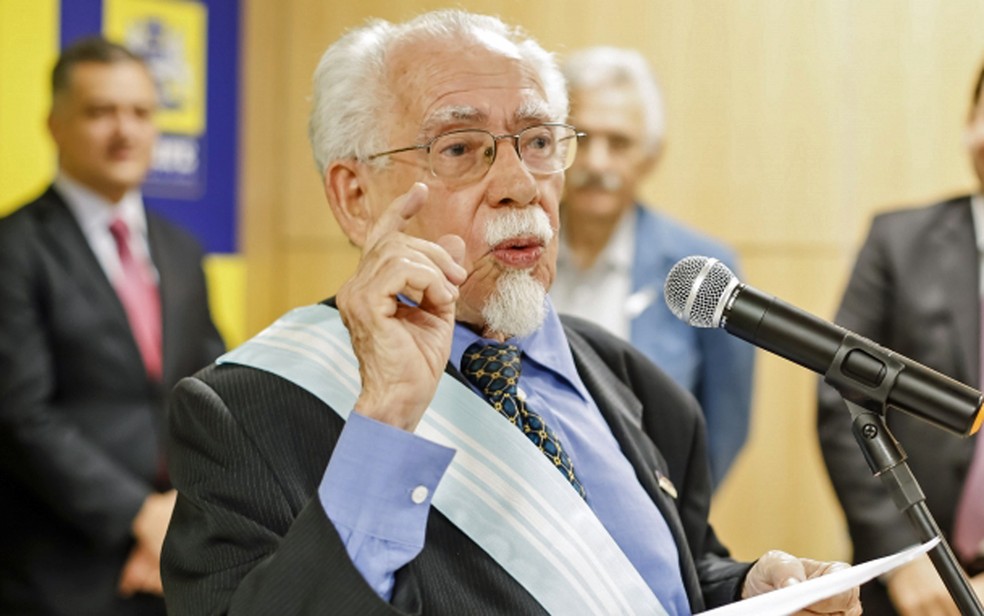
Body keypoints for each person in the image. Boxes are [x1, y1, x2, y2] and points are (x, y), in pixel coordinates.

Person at [161, 10, 860, 615]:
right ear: (354, 196)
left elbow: (656, 580)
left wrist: (745, 589)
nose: (520, 185)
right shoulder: (243, 415)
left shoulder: (626, 376)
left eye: (538, 142)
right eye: (462, 149)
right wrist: (386, 424)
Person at [0, 37, 225, 615]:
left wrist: (181, 519)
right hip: (60, 573)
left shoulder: (181, 249)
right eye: (101, 112)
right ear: (54, 124)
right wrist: (139, 515)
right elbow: (20, 416)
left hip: (176, 562)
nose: (125, 131)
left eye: (141, 113)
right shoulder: (13, 248)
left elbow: (215, 392)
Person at [817, 59, 984, 615]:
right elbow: (841, 399)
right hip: (905, 587)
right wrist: (904, 555)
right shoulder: (898, 242)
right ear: (969, 124)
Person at [550, 47, 755, 488]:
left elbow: (725, 427)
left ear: (650, 156)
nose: (596, 162)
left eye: (618, 143)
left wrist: (676, 521)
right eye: (580, 139)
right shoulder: (512, 253)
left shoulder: (701, 270)